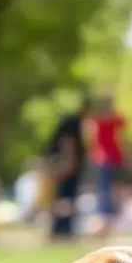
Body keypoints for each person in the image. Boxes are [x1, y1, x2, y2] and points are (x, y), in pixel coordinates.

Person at [44, 97, 91, 243]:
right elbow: (67, 143)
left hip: (62, 164)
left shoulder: (72, 121)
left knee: (64, 198)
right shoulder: (74, 123)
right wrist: (68, 163)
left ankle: (61, 230)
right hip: (65, 165)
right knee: (66, 199)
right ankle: (62, 231)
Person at [86, 94, 129, 238]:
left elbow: (89, 137)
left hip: (103, 158)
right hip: (110, 158)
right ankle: (105, 226)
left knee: (104, 191)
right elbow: (121, 137)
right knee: (108, 191)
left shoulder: (95, 120)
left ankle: (103, 226)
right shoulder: (112, 119)